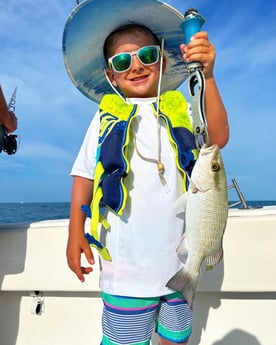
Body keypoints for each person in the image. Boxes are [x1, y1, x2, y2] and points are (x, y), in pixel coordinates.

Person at [62, 1, 229, 344]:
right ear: (111, 75)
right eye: (122, 62)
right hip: (126, 274)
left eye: (147, 56)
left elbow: (218, 138)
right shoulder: (105, 118)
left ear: (163, 61)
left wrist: (207, 75)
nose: (136, 67)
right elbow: (83, 176)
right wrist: (74, 232)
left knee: (175, 338)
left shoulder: (181, 107)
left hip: (178, 266)